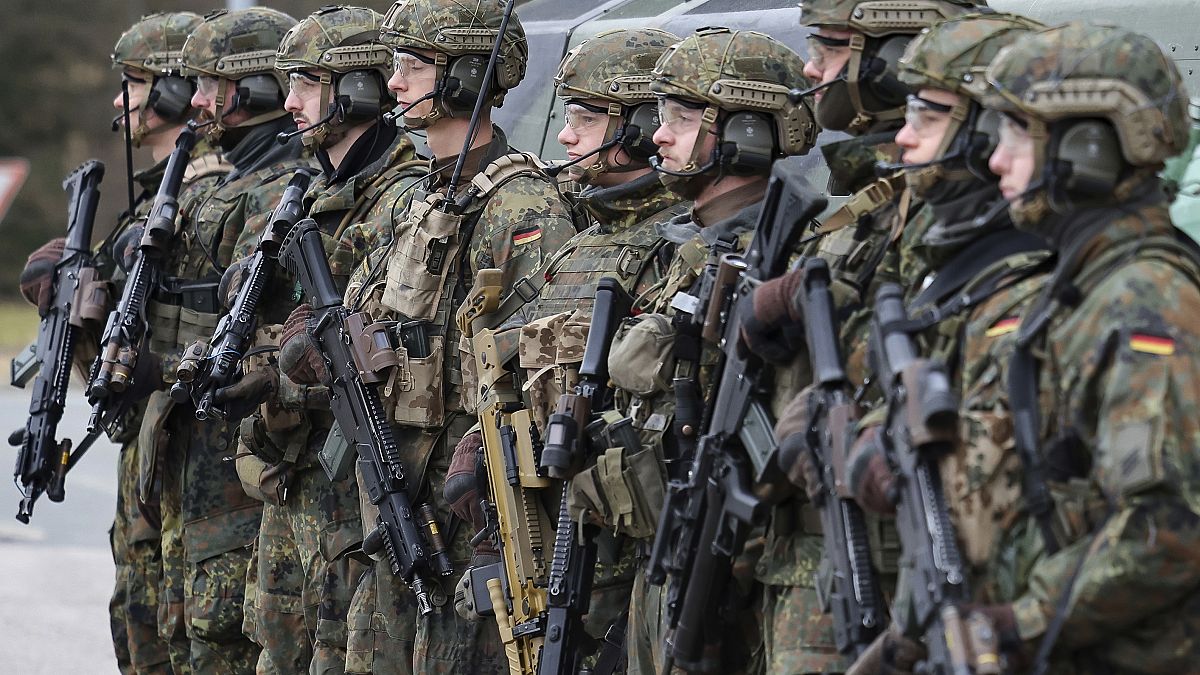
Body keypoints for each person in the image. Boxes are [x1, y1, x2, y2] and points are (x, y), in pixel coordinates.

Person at [278, 0, 577, 671]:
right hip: (398, 504)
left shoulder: (521, 208)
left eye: (413, 65)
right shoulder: (423, 200)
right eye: (394, 66)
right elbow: (363, 311)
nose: (393, 83)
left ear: (468, 77)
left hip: (469, 525)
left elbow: (542, 367)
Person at [443, 26, 685, 668]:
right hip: (541, 533)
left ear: (636, 128)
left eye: (583, 117)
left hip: (615, 548)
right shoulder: (580, 240)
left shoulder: (674, 249)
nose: (565, 137)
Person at [204, 6, 428, 674]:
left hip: (351, 491)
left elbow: (381, 339)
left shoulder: (401, 196)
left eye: (307, 83)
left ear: (356, 90)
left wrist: (281, 370)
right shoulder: (307, 190)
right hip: (291, 486)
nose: (291, 103)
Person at [595, 26, 818, 674]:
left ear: (748, 134)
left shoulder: (782, 265)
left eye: (682, 117)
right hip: (670, 551)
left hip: (736, 571)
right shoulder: (691, 253)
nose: (658, 135)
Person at [16, 11, 230, 675]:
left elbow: (214, 343)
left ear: (173, 92)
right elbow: (111, 355)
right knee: (139, 645)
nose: (118, 99)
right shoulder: (148, 208)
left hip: (201, 482)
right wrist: (70, 301)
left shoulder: (221, 198)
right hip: (145, 476)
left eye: (134, 83)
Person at [140, 8, 309, 673]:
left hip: (237, 468)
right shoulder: (230, 181)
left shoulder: (278, 186)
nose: (199, 100)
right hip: (199, 459)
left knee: (225, 640)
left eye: (213, 84)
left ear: (259, 92)